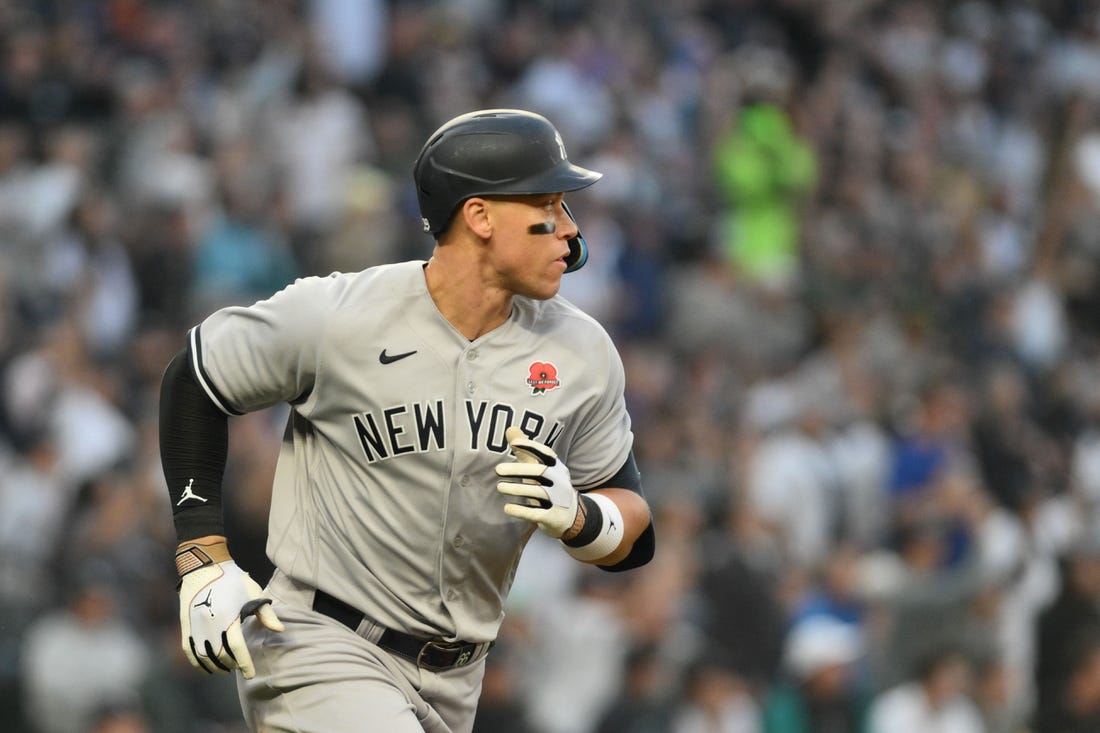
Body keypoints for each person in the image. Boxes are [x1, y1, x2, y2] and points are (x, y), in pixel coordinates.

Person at [157, 108, 656, 732]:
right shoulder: (340, 315)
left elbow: (635, 526)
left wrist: (583, 516)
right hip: (319, 641)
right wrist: (202, 557)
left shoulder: (581, 351)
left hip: (457, 679)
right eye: (550, 205)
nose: (571, 231)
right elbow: (195, 378)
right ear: (478, 217)